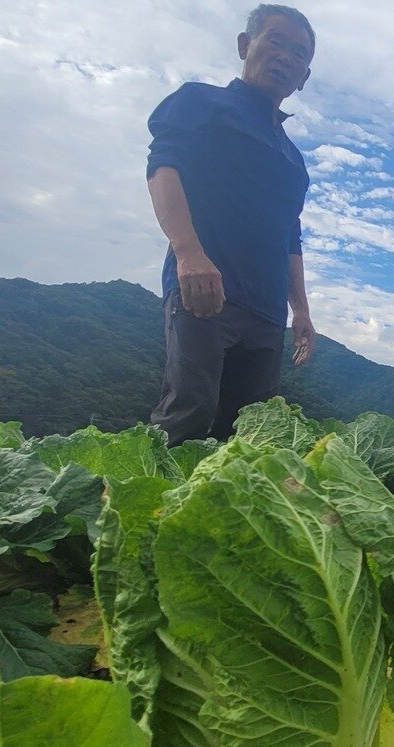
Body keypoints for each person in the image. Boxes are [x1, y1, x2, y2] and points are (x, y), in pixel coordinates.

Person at [147, 4, 317, 446]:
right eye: (274, 42)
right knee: (188, 414)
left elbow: (290, 237)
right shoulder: (202, 102)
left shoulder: (293, 159)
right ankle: (150, 513)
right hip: (205, 290)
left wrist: (300, 309)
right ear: (246, 45)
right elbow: (164, 167)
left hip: (265, 310)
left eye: (298, 54)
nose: (285, 57)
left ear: (304, 77)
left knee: (249, 436)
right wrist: (188, 253)